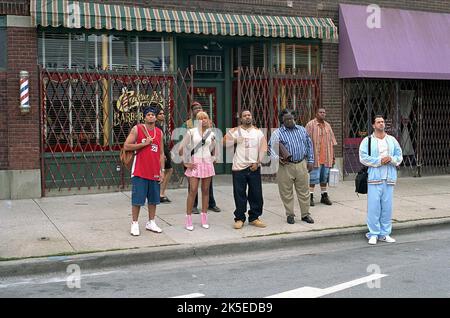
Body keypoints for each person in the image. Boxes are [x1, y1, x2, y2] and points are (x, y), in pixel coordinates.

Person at [359, 115, 403, 245]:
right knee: (374, 207)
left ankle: (385, 233)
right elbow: (363, 158)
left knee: (387, 208)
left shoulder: (392, 140)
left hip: (389, 178)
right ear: (373, 125)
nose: (381, 124)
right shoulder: (368, 141)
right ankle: (373, 234)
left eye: (383, 122)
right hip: (374, 178)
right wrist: (379, 161)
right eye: (378, 122)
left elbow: (399, 155)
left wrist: (391, 159)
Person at [269, 108, 314, 224]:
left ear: (295, 118)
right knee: (286, 192)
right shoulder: (277, 133)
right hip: (285, 167)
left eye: (291, 118)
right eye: (286, 119)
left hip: (301, 164)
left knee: (304, 192)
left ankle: (305, 214)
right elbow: (270, 148)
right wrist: (277, 158)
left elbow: (309, 146)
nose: (289, 121)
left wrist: (311, 161)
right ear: (282, 121)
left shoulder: (302, 130)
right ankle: (290, 215)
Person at [124, 106, 165, 236]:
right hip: (140, 170)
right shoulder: (137, 129)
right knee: (137, 199)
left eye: (153, 114)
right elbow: (126, 146)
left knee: (153, 199)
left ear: (156, 117)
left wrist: (162, 170)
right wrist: (144, 144)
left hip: (154, 170)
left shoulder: (159, 132)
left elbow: (161, 153)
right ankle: (134, 223)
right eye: (148, 114)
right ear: (144, 117)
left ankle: (151, 222)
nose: (151, 116)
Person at [224, 110, 268, 229]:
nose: (247, 117)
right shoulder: (236, 131)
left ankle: (254, 217)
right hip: (239, 167)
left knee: (256, 194)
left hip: (253, 167)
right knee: (239, 194)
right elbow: (223, 142)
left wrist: (258, 162)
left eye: (249, 115)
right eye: (245, 115)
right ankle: (239, 218)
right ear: (241, 119)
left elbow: (264, 147)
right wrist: (234, 140)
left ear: (251, 117)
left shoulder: (258, 132)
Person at [181, 101, 221, 214]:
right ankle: (193, 206)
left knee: (207, 186)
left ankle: (211, 204)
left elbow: (214, 141)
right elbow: (181, 142)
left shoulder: (210, 124)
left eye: (200, 108)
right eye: (195, 108)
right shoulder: (187, 124)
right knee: (193, 187)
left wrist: (214, 156)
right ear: (191, 111)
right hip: (193, 157)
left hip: (206, 159)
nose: (198, 109)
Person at [180, 111, 216, 231]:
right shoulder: (191, 132)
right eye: (200, 118)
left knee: (206, 191)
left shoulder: (211, 133)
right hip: (194, 163)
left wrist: (214, 157)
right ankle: (188, 218)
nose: (203, 120)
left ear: (208, 119)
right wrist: (185, 162)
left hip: (207, 163)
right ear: (197, 120)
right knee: (193, 190)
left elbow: (214, 148)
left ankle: (204, 217)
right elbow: (181, 148)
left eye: (205, 118)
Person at [305, 108, 337, 206]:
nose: (323, 114)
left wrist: (333, 156)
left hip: (327, 157)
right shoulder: (310, 125)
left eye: (324, 112)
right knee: (313, 178)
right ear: (316, 113)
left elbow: (332, 142)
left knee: (324, 178)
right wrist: (307, 157)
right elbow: (305, 141)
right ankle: (310, 197)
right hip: (315, 158)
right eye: (320, 112)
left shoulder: (328, 126)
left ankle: (324, 196)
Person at [155, 106, 173, 203]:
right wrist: (162, 154)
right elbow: (158, 141)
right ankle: (161, 193)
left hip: (164, 150)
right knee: (168, 170)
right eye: (160, 114)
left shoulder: (160, 125)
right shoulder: (157, 126)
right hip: (162, 151)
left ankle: (160, 193)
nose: (162, 115)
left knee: (166, 170)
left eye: (163, 113)